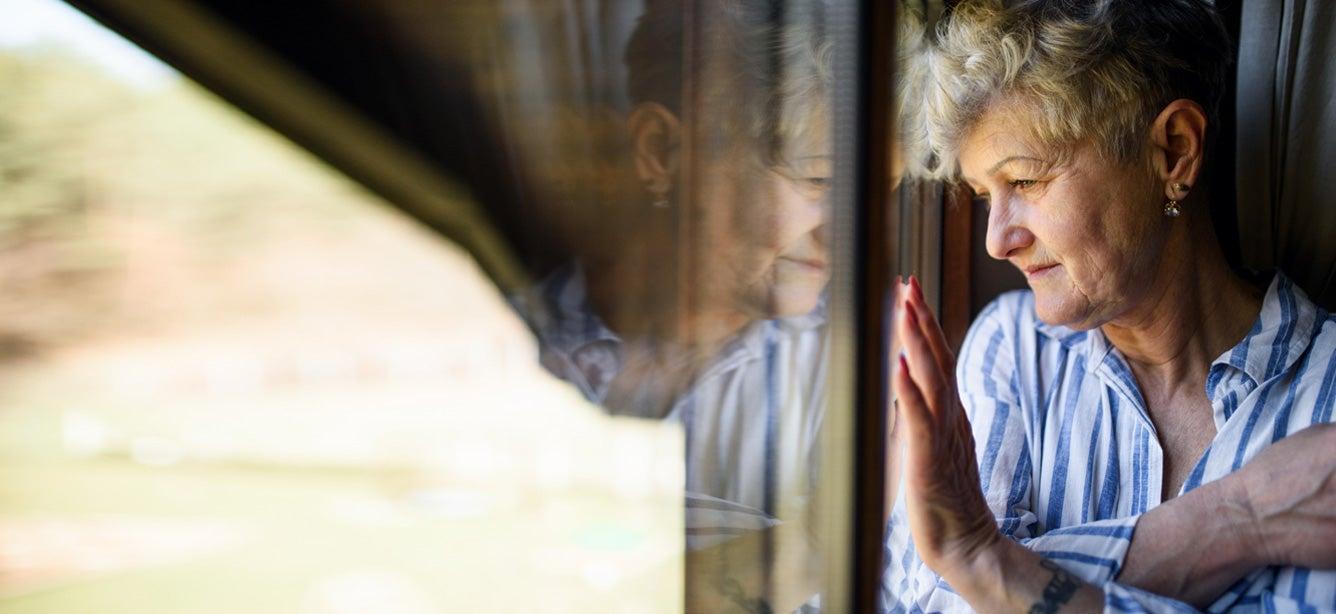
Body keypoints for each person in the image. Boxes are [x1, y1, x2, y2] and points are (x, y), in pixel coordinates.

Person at [885, 0, 1336, 612]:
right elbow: (937, 602)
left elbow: (968, 587)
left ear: (1173, 153)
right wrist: (1239, 517)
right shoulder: (1014, 351)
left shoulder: (1328, 386)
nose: (997, 240)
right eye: (982, 194)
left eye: (1024, 181)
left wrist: (988, 561)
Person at [508, 0, 834, 609]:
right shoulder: (503, 341)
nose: (851, 231)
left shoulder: (864, 374)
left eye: (878, 190)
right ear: (661, 151)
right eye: (818, 180)